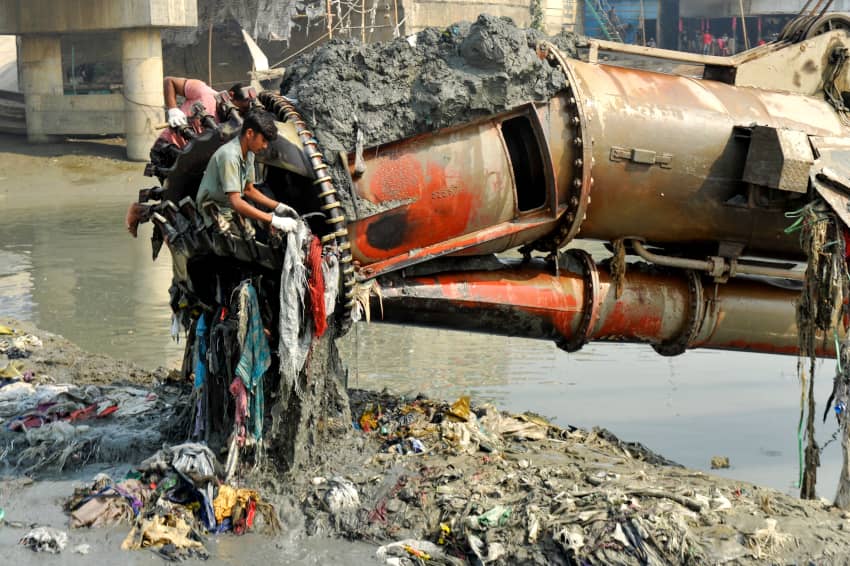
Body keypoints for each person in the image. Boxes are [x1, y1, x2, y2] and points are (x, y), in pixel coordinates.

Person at [195, 108, 297, 234]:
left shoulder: (249, 154)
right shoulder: (230, 156)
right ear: (249, 133)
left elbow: (249, 190)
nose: (265, 146)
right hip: (215, 211)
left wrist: (278, 206)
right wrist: (273, 219)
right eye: (263, 140)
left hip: (230, 205)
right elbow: (236, 201)